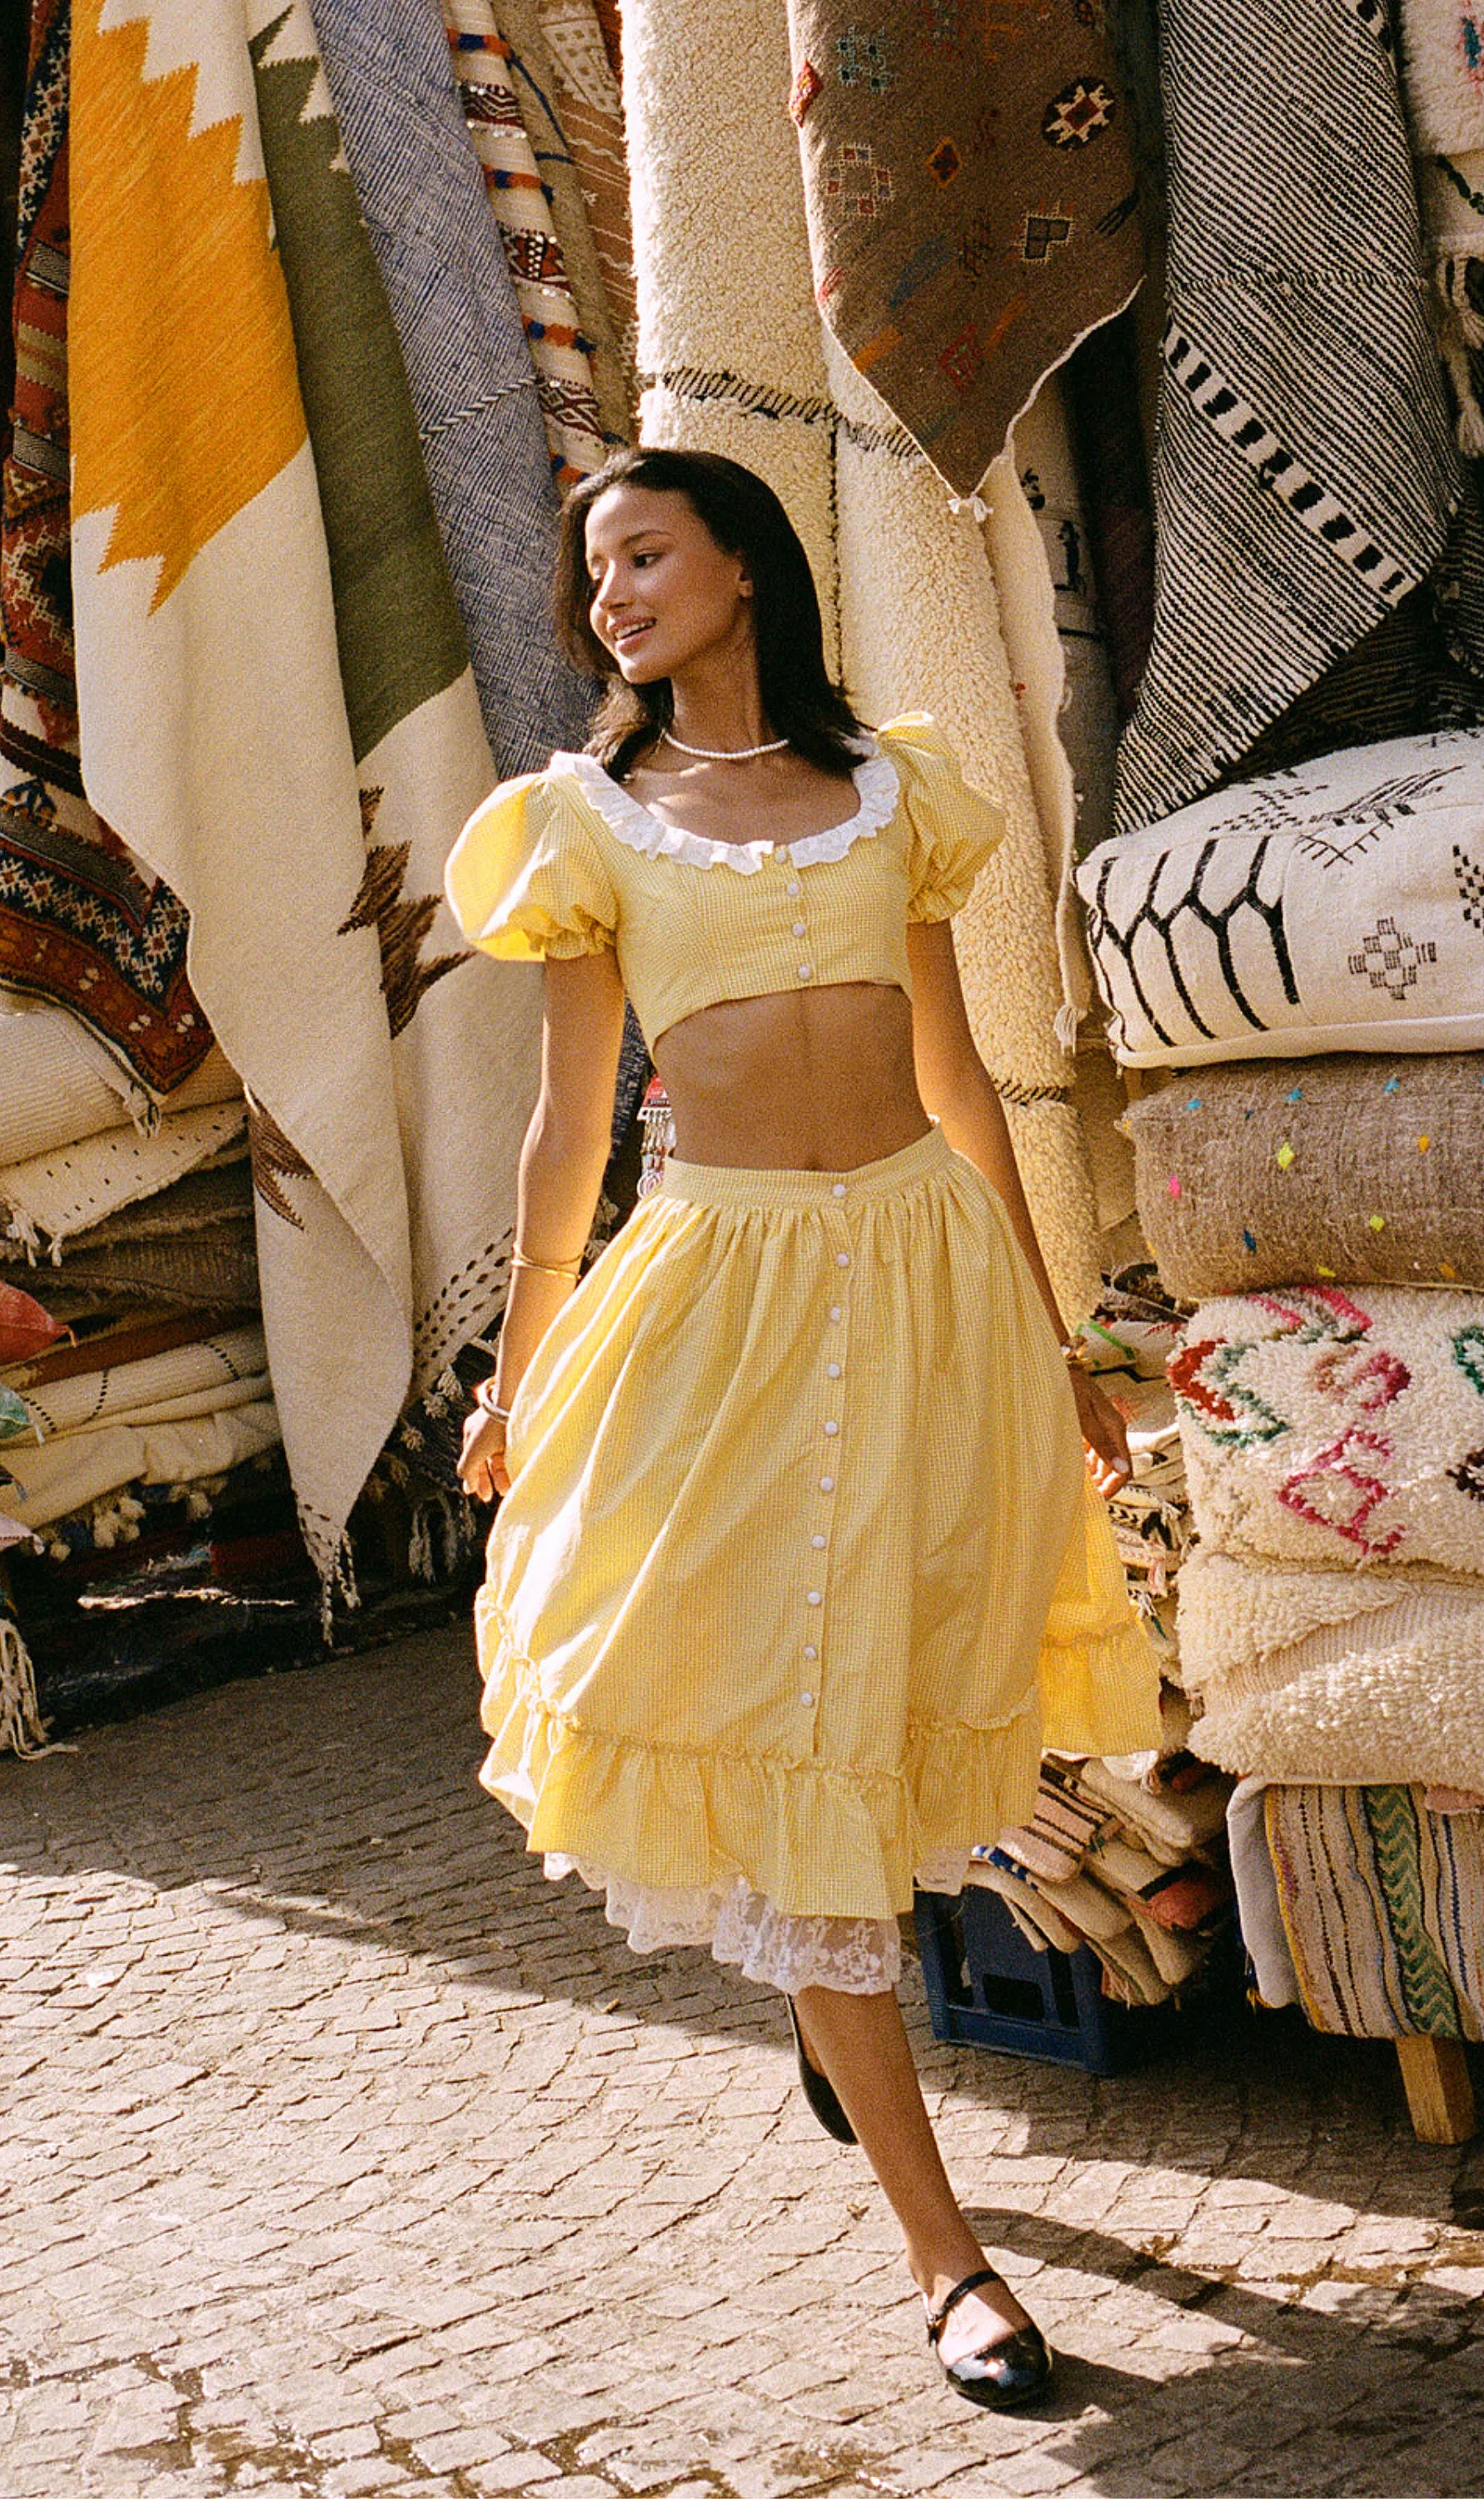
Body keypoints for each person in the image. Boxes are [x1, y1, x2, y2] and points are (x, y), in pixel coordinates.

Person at [447, 446, 1160, 2407]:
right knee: (785, 1726)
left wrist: (1057, 1338)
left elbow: (963, 1079)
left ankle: (827, 1995)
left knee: (902, 1677)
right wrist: (516, 1382)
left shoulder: (886, 798)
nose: (612, 594)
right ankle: (954, 2263)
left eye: (646, 553)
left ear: (744, 568)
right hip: (723, 1301)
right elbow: (564, 1129)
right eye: (596, 573)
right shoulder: (583, 826)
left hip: (922, 1278)